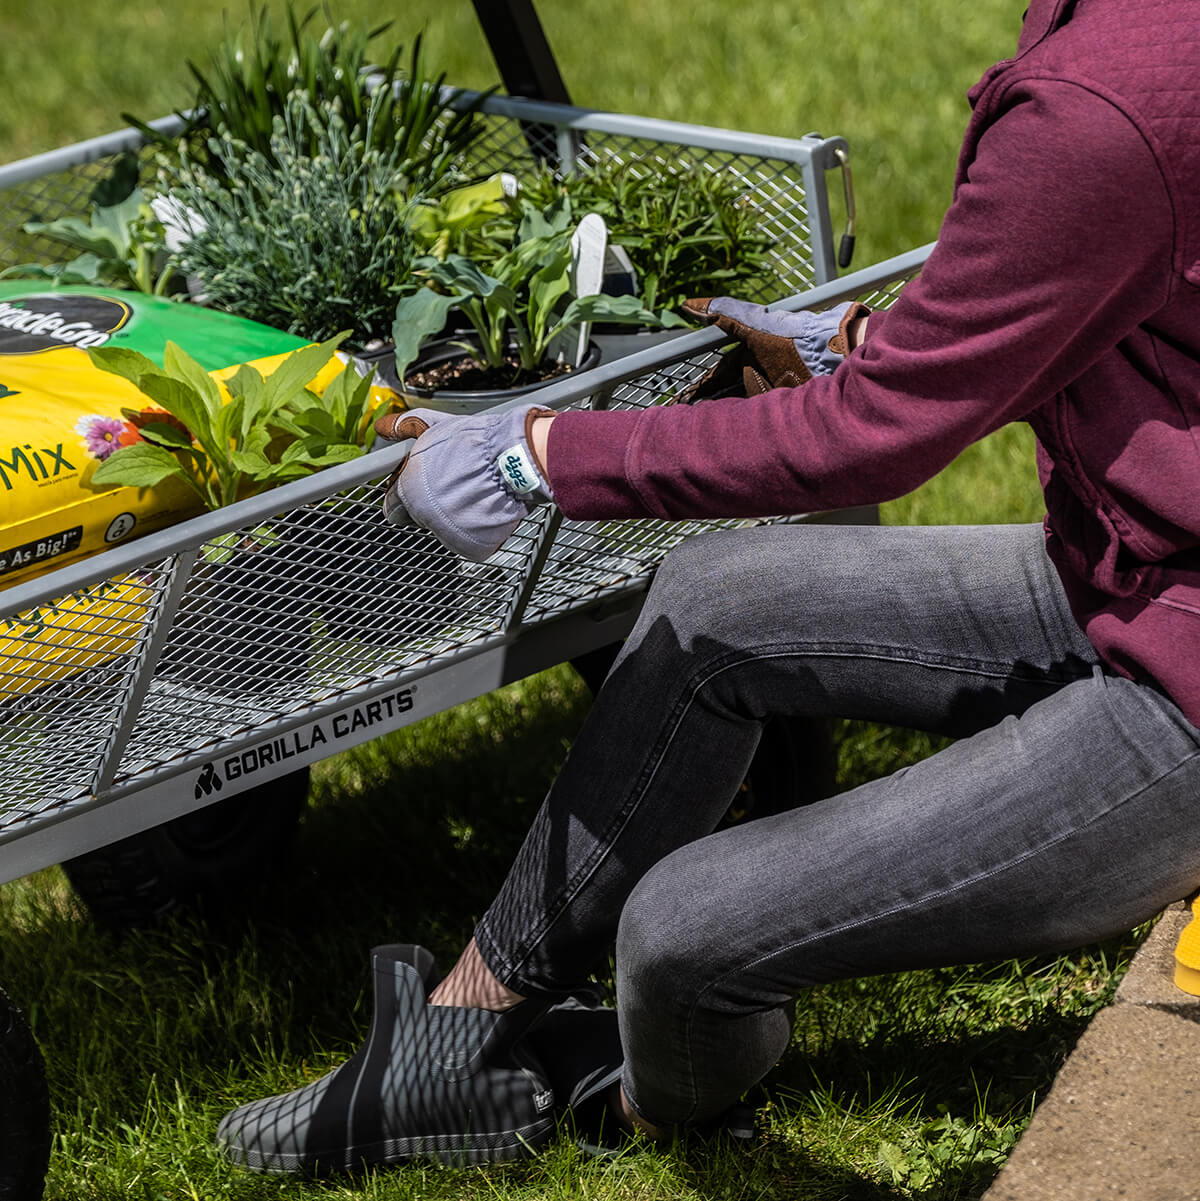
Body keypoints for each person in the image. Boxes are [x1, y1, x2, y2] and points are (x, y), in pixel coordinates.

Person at [218, 0, 1200, 1174]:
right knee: (713, 600)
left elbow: (877, 439)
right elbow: (1121, 287)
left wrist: (537, 456)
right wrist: (873, 336)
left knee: (682, 936)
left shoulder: (1108, 102)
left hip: (1181, 687)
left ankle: (620, 1103)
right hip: (1127, 570)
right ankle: (456, 1036)